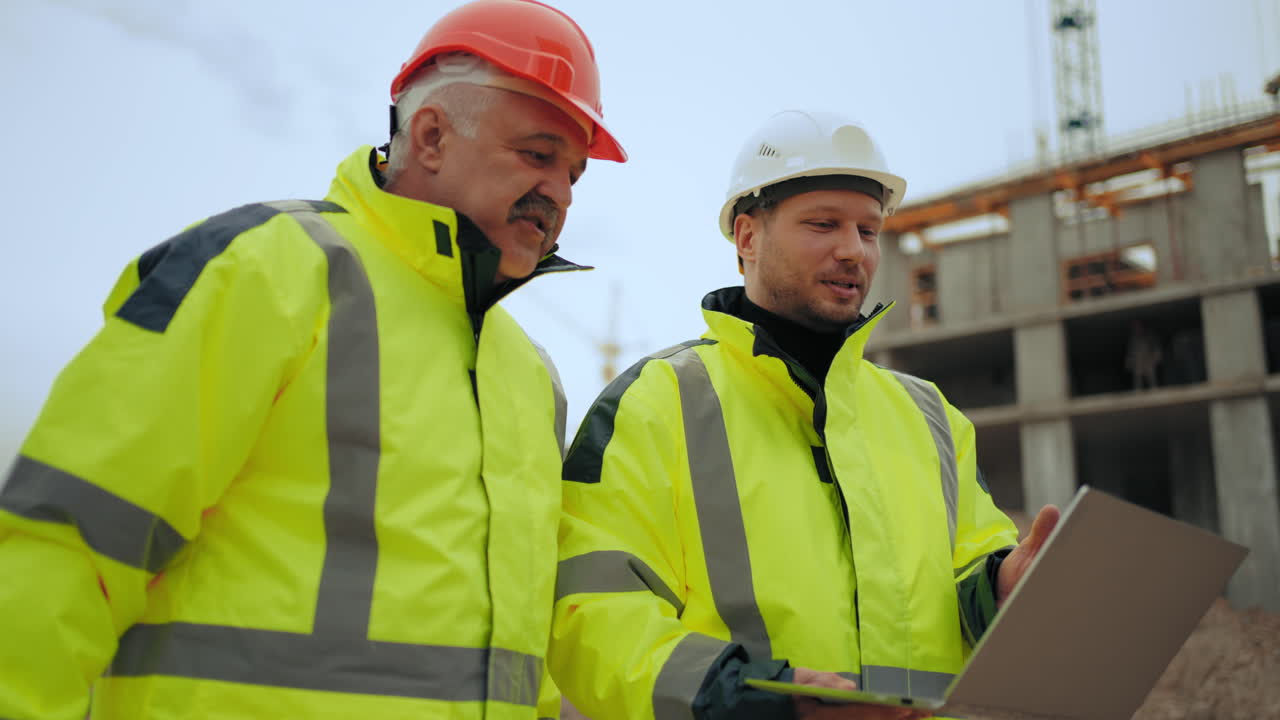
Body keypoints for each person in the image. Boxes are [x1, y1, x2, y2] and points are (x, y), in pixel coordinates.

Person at [0, 1, 625, 718]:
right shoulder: (266, 272)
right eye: (538, 154)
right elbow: (70, 542)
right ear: (429, 136)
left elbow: (510, 651)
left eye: (576, 174)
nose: (561, 193)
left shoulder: (528, 374)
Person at [547, 110, 1059, 720]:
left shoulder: (928, 415)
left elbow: (968, 570)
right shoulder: (655, 404)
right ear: (746, 237)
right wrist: (754, 701)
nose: (853, 251)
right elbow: (592, 613)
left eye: (868, 231)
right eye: (823, 224)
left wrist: (1002, 586)